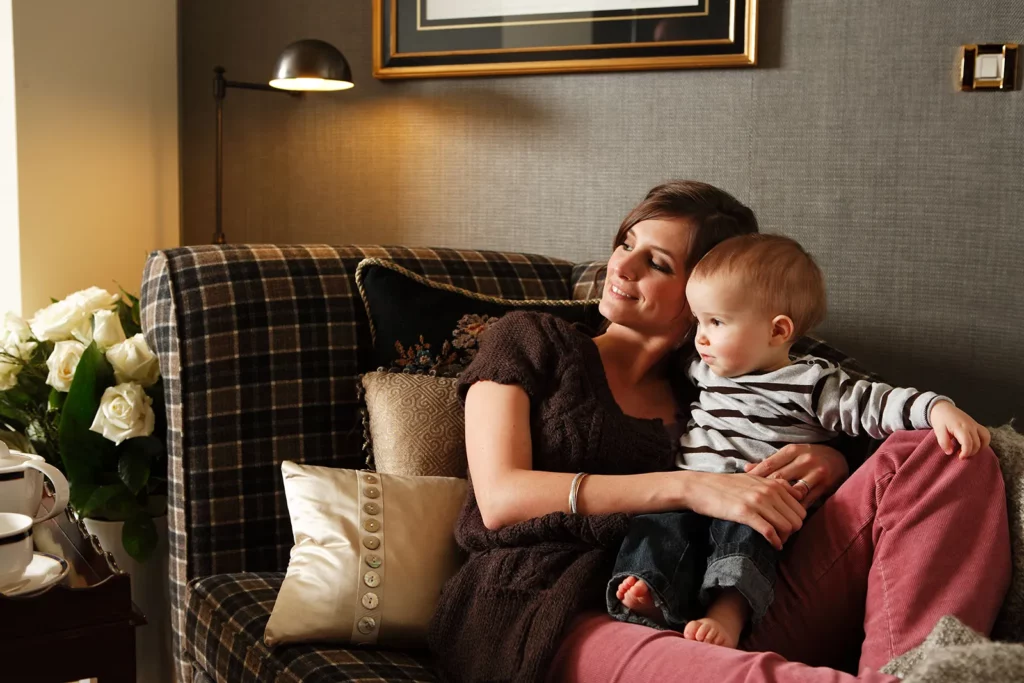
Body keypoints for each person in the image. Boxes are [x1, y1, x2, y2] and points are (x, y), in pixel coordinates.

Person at [426, 180, 1010, 683]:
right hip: (552, 607)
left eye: (656, 263)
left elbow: (850, 415)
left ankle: (919, 670)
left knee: (946, 452)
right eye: (625, 244)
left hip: (727, 600)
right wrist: (691, 487)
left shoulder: (722, 381)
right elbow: (502, 499)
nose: (619, 266)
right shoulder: (530, 339)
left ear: (708, 291)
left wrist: (829, 460)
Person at [607, 233, 991, 649]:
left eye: (716, 322)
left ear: (777, 331)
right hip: (690, 494)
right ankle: (653, 595)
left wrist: (936, 409)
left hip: (756, 502)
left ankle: (729, 612)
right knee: (656, 529)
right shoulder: (706, 368)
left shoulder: (810, 382)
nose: (700, 336)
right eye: (698, 321)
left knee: (747, 540)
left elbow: (876, 403)